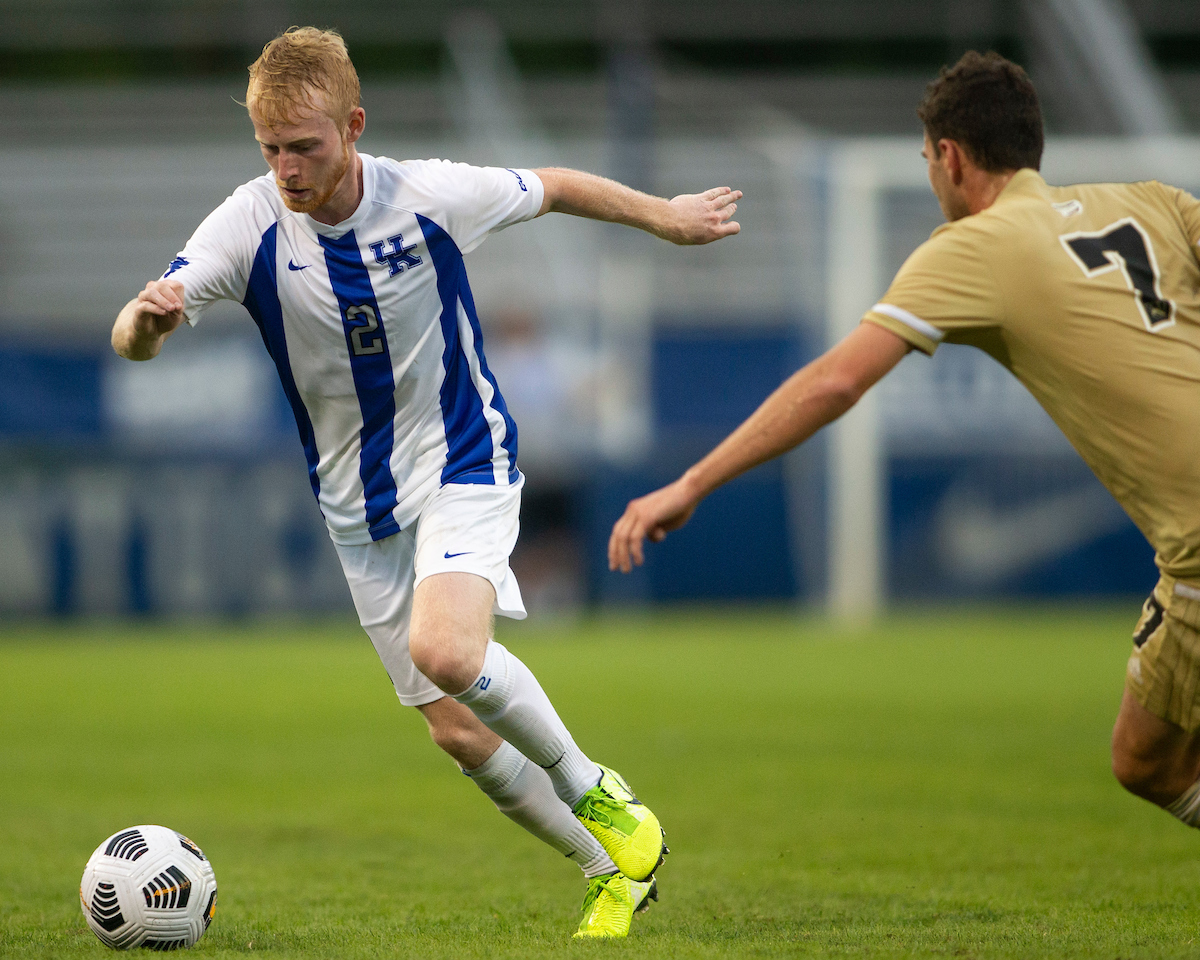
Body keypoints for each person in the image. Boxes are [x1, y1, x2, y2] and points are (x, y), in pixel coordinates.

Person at [111, 26, 741, 939]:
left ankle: (597, 791)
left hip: (462, 457)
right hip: (355, 509)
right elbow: (133, 332)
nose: (287, 169)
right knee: (456, 731)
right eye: (272, 150)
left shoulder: (432, 195)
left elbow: (556, 186)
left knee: (449, 650)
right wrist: (149, 320)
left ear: (354, 126)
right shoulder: (248, 222)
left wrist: (665, 216)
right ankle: (612, 871)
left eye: (305, 147)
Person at [609, 51, 1200, 832]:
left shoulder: (973, 247)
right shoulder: (1154, 203)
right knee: (1145, 753)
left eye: (927, 161)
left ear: (951, 157)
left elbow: (834, 384)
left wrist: (688, 485)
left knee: (1148, 761)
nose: (929, 176)